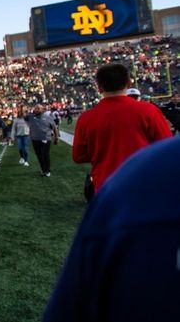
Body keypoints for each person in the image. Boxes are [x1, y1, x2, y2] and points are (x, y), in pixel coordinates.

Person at [43, 137, 180, 322]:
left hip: (118, 187)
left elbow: (78, 155)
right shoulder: (155, 157)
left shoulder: (141, 177)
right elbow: (164, 137)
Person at [72, 63, 171, 193]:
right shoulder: (148, 111)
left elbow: (79, 156)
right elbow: (166, 146)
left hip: (106, 186)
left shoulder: (86, 118)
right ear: (129, 84)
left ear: (99, 88)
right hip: (145, 182)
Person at [26, 104, 59, 177]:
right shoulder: (31, 117)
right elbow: (21, 115)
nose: (36, 109)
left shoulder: (48, 117)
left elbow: (54, 128)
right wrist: (22, 107)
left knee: (45, 155)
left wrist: (56, 138)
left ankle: (47, 170)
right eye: (35, 108)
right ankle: (43, 169)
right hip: (35, 139)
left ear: (42, 109)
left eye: (38, 108)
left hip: (46, 139)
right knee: (39, 155)